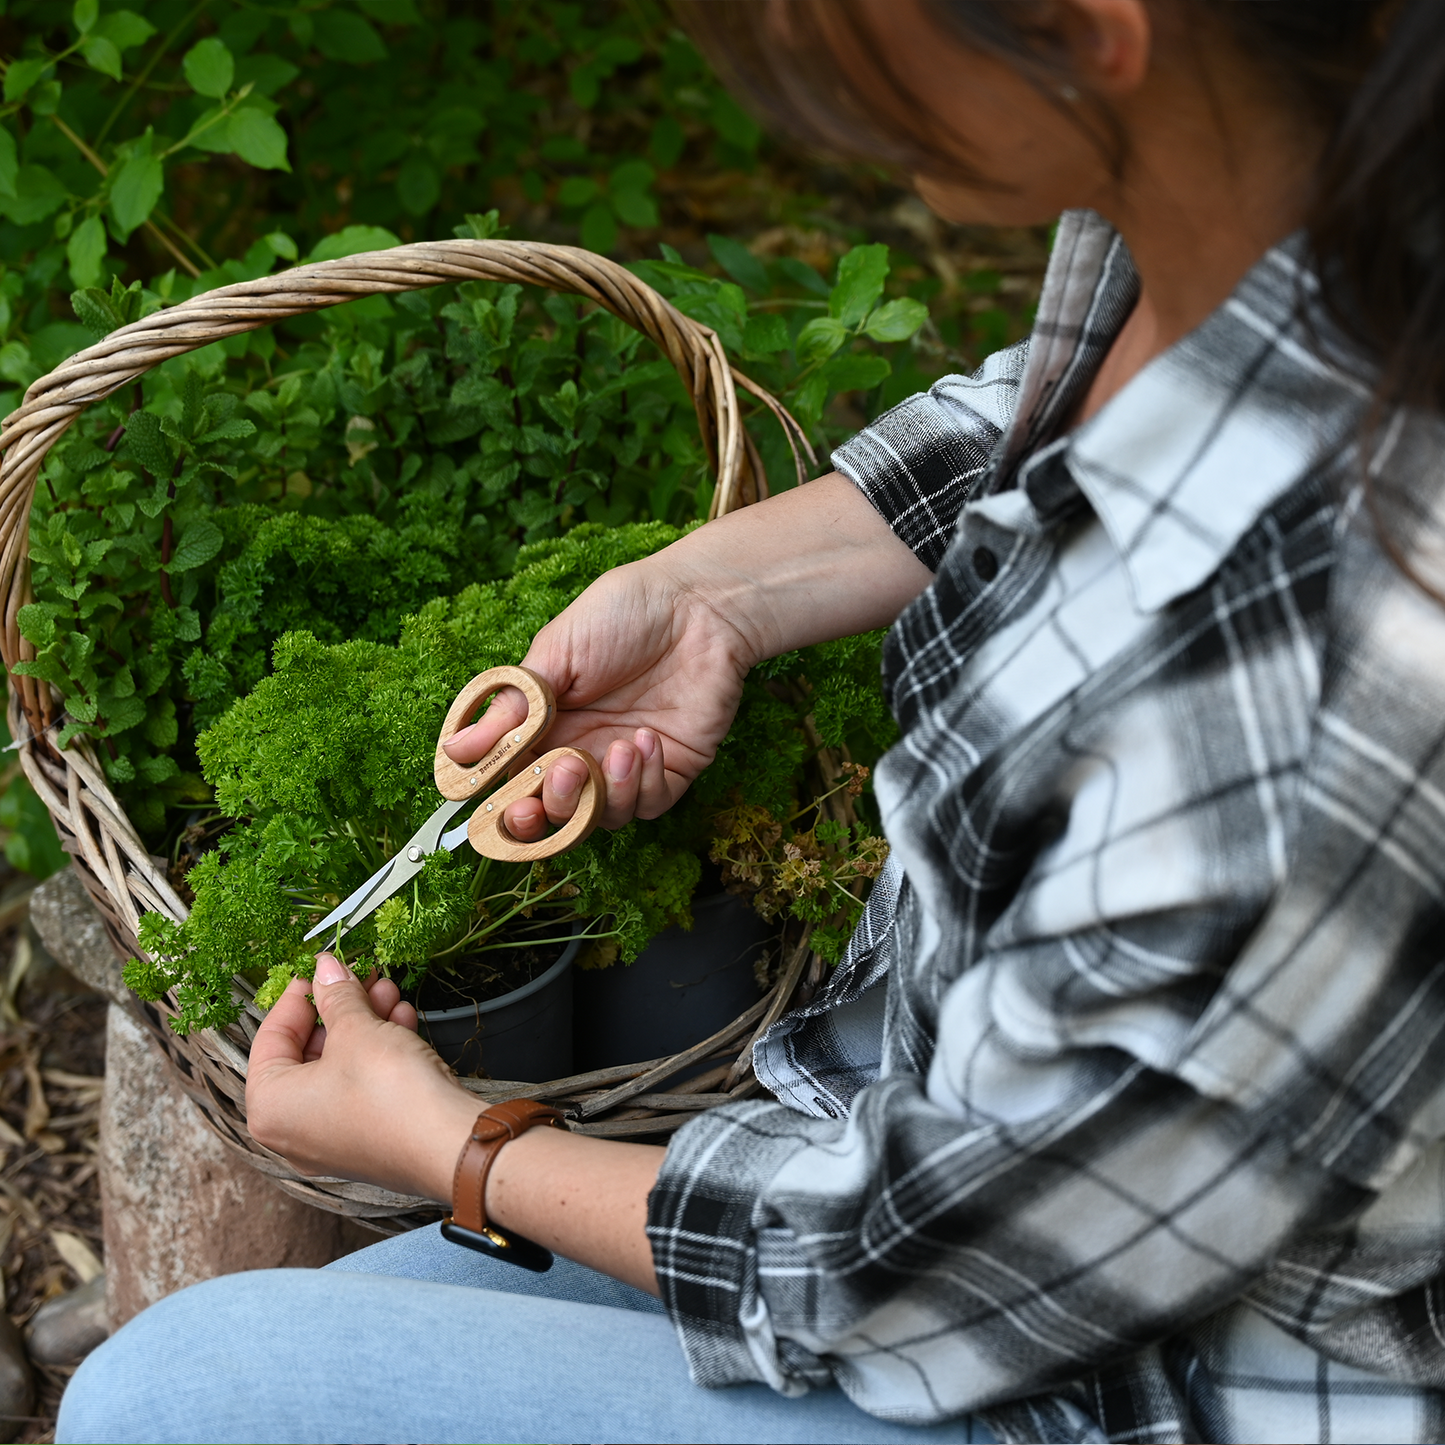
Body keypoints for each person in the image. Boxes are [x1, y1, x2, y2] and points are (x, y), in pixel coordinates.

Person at [57, 1, 1445, 1441]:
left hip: (1126, 1382)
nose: (804, 94)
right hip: (894, 1151)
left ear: (1085, 23)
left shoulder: (1334, 671)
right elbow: (1034, 431)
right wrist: (706, 596)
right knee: (320, 1339)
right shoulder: (1265, 200)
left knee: (178, 1396)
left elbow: (932, 1283)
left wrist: (454, 1146)